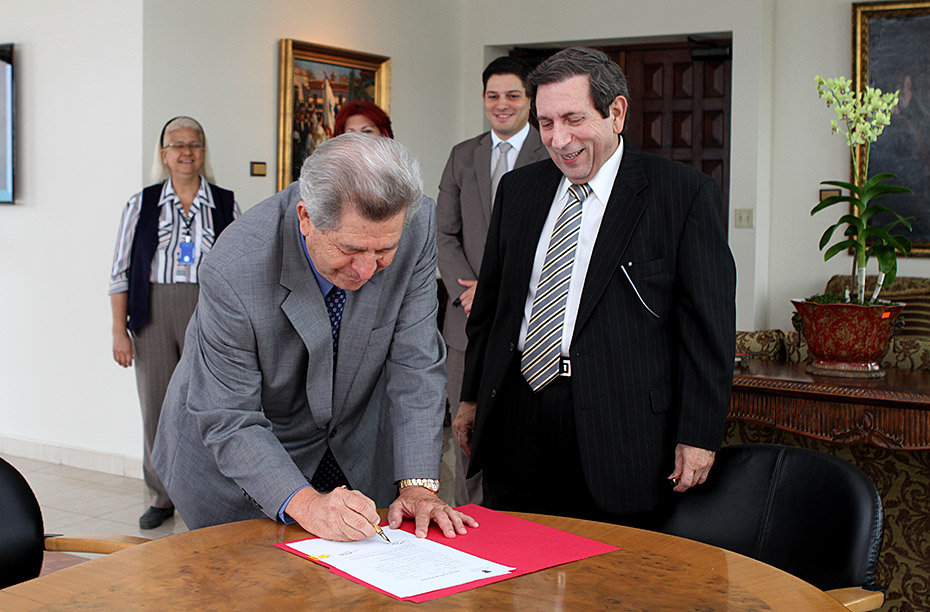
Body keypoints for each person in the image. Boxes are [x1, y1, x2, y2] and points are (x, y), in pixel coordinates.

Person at [454, 47, 736, 526]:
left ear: (617, 112)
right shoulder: (519, 190)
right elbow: (493, 309)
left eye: (573, 119)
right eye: (546, 123)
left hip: (621, 428)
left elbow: (708, 331)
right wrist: (471, 398)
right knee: (514, 557)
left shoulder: (682, 195)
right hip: (516, 415)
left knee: (612, 567)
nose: (559, 139)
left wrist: (700, 433)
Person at [152, 133, 476, 541]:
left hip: (352, 447)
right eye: (350, 249)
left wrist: (417, 485)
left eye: (383, 252)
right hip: (244, 460)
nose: (366, 270)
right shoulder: (236, 266)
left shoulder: (416, 223)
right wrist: (306, 504)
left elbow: (416, 361)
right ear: (306, 218)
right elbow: (230, 415)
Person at [109, 116, 239, 530]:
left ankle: (207, 494)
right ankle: (161, 496)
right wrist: (119, 330)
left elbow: (239, 265)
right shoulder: (141, 203)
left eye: (194, 144)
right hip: (152, 312)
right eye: (177, 144)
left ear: (203, 151)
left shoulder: (225, 203)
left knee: (209, 403)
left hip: (209, 311)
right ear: (164, 154)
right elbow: (120, 272)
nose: (186, 151)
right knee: (157, 406)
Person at [437, 56, 548, 507]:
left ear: (530, 100)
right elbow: (444, 233)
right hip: (465, 324)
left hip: (529, 323)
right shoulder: (463, 155)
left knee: (519, 438)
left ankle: (516, 527)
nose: (502, 105)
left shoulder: (552, 153)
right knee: (466, 437)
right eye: (493, 96)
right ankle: (467, 523)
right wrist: (470, 290)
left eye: (513, 95)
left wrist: (495, 291)